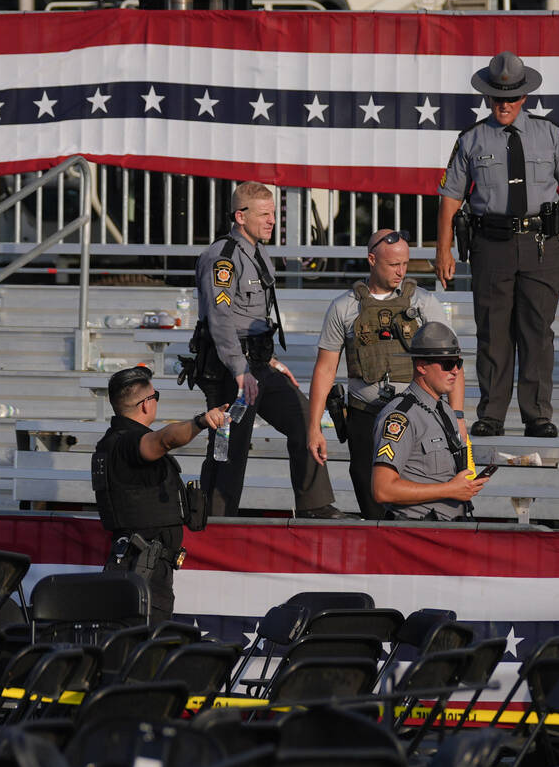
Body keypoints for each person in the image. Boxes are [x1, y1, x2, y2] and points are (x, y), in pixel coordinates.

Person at [435, 50, 559, 439]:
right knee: (493, 332)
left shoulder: (550, 133)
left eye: (511, 98)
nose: (504, 105)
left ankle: (537, 415)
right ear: (487, 98)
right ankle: (491, 414)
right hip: (491, 245)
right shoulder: (471, 139)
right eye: (497, 97)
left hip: (541, 245)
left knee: (537, 332)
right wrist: (443, 248)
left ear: (524, 98)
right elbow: (450, 197)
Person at [190, 180, 341, 518]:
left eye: (273, 214)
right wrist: (241, 371)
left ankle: (315, 506)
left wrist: (268, 360)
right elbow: (221, 319)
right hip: (231, 370)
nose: (272, 220)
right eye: (264, 214)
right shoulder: (224, 257)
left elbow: (251, 316)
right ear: (240, 216)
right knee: (230, 446)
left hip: (257, 364)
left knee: (306, 419)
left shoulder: (257, 250)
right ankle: (214, 520)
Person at [307, 229, 465, 519]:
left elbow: (452, 363)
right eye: (393, 265)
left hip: (418, 418)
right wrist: (314, 426)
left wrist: (457, 418)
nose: (401, 271)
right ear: (371, 260)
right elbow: (325, 368)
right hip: (365, 415)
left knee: (416, 505)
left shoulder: (424, 303)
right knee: (373, 506)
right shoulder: (344, 307)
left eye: (405, 263)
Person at [92, 366, 227, 623]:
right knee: (143, 651)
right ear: (145, 404)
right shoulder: (127, 443)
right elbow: (165, 439)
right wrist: (200, 421)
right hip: (143, 572)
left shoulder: (114, 442)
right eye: (156, 397)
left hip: (142, 569)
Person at [371, 322, 489, 520]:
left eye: (457, 363)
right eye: (447, 364)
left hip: (449, 529)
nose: (455, 371)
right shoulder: (400, 418)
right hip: (417, 534)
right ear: (422, 366)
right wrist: (449, 490)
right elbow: (383, 489)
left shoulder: (445, 411)